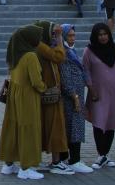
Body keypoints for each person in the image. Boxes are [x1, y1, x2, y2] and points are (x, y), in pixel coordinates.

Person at [0, 25, 47, 180]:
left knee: (12, 128)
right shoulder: (30, 56)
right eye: (37, 37)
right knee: (28, 128)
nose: (39, 40)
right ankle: (25, 168)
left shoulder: (15, 55)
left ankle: (8, 164)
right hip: (27, 96)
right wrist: (45, 88)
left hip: (14, 95)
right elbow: (36, 81)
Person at [83, 22, 115, 170]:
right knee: (98, 122)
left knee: (110, 122)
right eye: (100, 35)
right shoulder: (89, 51)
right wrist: (91, 88)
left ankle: (106, 154)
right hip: (98, 94)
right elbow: (86, 71)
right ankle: (100, 154)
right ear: (95, 36)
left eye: (105, 34)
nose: (103, 37)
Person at [33, 20, 71, 174]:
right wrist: (61, 39)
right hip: (49, 94)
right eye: (52, 33)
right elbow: (59, 56)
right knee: (55, 128)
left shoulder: (42, 46)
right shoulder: (41, 47)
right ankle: (56, 162)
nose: (54, 36)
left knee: (50, 127)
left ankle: (49, 160)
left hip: (50, 94)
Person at [58, 24, 93, 173]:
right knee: (73, 128)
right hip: (71, 98)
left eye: (74, 35)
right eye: (69, 35)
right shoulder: (64, 53)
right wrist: (75, 97)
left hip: (76, 96)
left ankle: (69, 159)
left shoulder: (71, 51)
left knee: (73, 128)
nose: (72, 38)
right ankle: (74, 160)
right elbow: (65, 78)